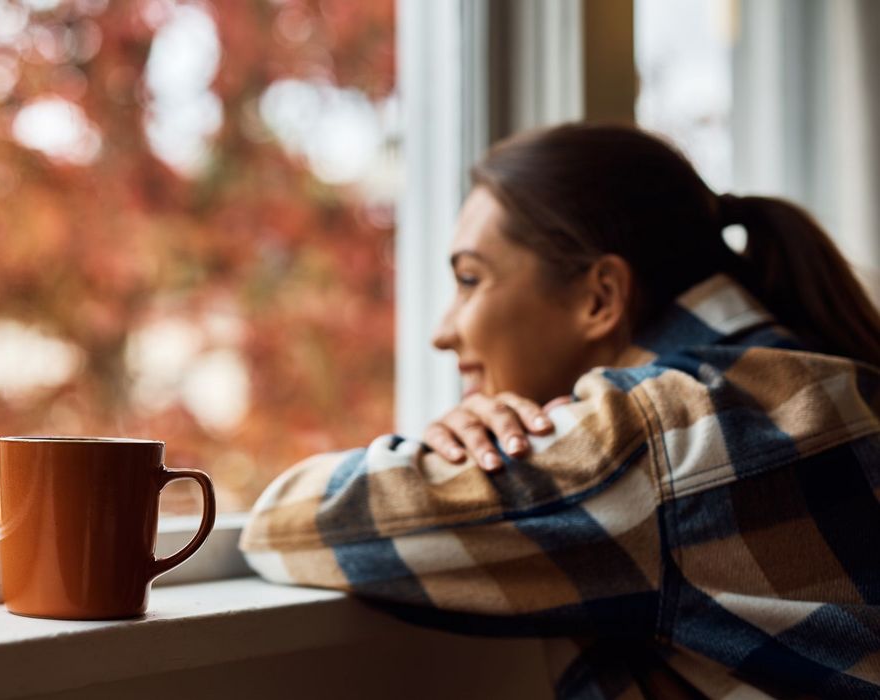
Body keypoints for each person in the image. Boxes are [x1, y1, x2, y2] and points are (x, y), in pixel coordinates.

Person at [239, 123, 880, 698]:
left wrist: (437, 456)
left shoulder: (660, 436)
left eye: (469, 280)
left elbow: (282, 524)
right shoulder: (813, 379)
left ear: (600, 297)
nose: (442, 331)